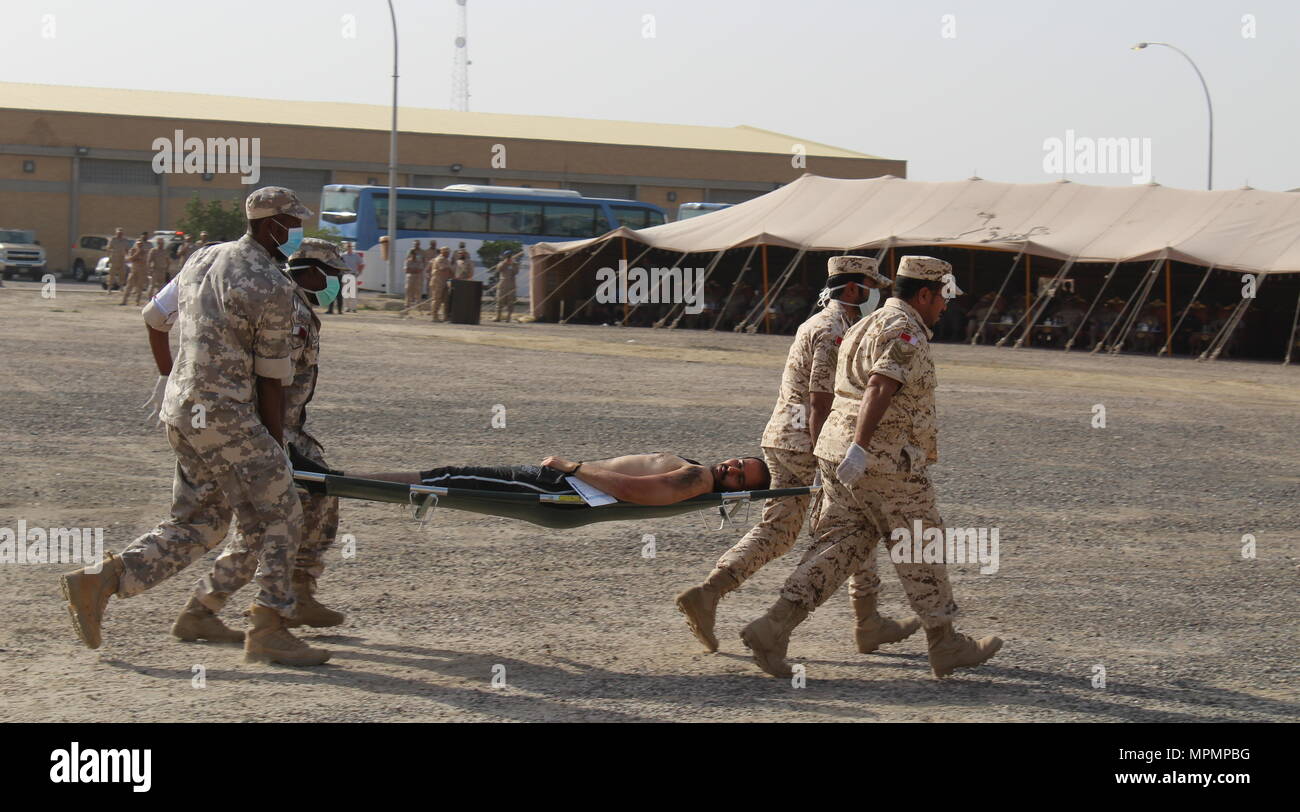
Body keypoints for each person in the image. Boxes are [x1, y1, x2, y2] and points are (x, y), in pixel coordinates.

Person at [60, 186, 331, 667]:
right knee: (282, 511)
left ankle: (104, 579)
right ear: (272, 226)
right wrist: (276, 449)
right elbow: (273, 382)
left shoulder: (203, 257)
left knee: (201, 522)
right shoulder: (273, 285)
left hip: (182, 412)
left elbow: (153, 316)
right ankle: (269, 627)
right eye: (291, 224)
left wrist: (174, 376)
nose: (295, 233)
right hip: (230, 415)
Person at [741, 256, 1003, 680]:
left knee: (839, 547)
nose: (946, 306)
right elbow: (881, 385)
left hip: (837, 455)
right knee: (921, 542)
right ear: (923, 294)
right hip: (883, 461)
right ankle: (945, 642)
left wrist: (851, 451)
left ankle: (772, 628)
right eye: (943, 297)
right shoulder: (905, 330)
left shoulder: (864, 323)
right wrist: (862, 447)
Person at [676, 257, 917, 655]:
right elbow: (819, 401)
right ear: (855, 289)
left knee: (785, 530)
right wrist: (829, 457)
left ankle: (710, 593)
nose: (880, 293)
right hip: (809, 443)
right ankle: (865, 620)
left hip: (786, 438)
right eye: (874, 285)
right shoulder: (834, 330)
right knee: (852, 527)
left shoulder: (823, 323)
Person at [139, 239, 349, 642]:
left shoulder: (297, 307)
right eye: (334, 276)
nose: (337, 284)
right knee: (263, 526)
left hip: (282, 430)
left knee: (321, 497)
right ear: (310, 272)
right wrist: (272, 447)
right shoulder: (281, 309)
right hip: (255, 431)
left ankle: (299, 591)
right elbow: (265, 382)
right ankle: (209, 610)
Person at [296, 449, 771, 505]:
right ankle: (334, 478)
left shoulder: (694, 481)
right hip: (561, 481)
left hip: (558, 486)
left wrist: (573, 467)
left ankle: (332, 481)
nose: (729, 469)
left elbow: (629, 489)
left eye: (737, 478)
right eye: (737, 462)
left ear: (735, 491)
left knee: (447, 480)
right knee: (448, 475)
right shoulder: (698, 472)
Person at [119, 233, 150, 305]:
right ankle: (124, 300)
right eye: (138, 244)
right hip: (134, 270)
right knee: (129, 285)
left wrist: (138, 257)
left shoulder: (145, 251)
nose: (140, 245)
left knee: (140, 286)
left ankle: (137, 301)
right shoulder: (133, 250)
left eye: (141, 244)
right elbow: (129, 259)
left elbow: (145, 260)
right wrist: (137, 253)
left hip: (142, 271)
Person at [428, 246, 453, 322]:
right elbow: (444, 268)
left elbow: (450, 271)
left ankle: (446, 317)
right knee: (437, 299)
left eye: (448, 252)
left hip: (444, 282)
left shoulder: (446, 260)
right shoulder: (439, 259)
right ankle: (434, 316)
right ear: (442, 252)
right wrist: (451, 269)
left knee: (446, 299)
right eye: (446, 252)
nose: (448, 254)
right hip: (437, 282)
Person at [495, 251, 520, 322]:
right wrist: (505, 263)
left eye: (509, 256)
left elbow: (516, 272)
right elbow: (498, 269)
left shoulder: (515, 264)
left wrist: (512, 264)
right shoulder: (501, 263)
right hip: (502, 285)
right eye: (507, 256)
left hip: (511, 286)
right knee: (499, 301)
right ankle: (498, 317)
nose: (508, 257)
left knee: (510, 302)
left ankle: (508, 318)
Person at [339, 242, 363, 313]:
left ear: (352, 247)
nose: (349, 247)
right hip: (345, 275)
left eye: (350, 246)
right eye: (348, 246)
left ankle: (354, 308)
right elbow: (339, 264)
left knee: (353, 293)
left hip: (353, 275)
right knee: (345, 293)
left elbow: (362, 264)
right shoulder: (343, 255)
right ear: (346, 247)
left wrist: (359, 273)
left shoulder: (356, 255)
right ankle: (347, 307)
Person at [106, 227, 132, 293]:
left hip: (122, 259)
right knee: (112, 274)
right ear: (116, 233)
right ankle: (109, 288)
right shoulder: (113, 240)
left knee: (122, 274)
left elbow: (128, 249)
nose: (120, 234)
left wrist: (127, 257)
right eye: (118, 233)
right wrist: (109, 257)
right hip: (114, 259)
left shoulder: (125, 241)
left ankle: (121, 287)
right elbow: (108, 248)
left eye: (121, 233)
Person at [403, 242, 424, 309]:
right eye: (412, 254)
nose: (414, 256)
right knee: (408, 291)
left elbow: (420, 270)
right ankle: (407, 305)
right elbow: (406, 270)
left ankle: (418, 305)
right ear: (410, 255)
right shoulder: (407, 261)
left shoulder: (419, 261)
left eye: (415, 254)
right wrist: (414, 270)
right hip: (410, 278)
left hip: (417, 278)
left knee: (418, 291)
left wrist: (412, 270)